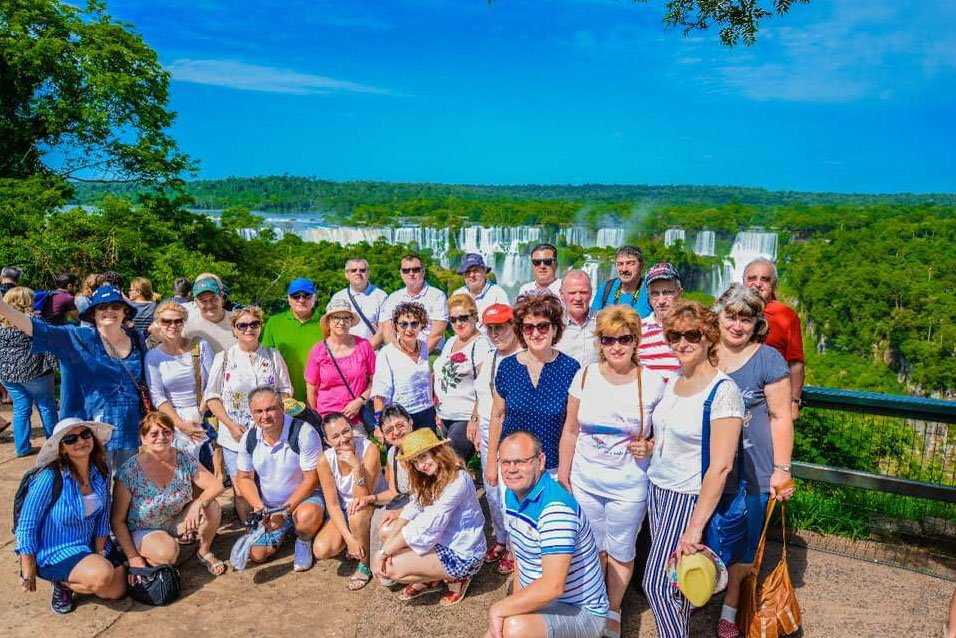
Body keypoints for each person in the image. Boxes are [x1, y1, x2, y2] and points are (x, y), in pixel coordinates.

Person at [557, 305, 667, 637]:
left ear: (636, 341)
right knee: (590, 547)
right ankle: (592, 602)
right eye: (608, 339)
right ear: (599, 342)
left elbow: (661, 435)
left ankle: (613, 609)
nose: (616, 346)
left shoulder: (652, 382)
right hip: (586, 479)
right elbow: (570, 430)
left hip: (628, 483)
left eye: (624, 339)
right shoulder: (585, 375)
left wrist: (648, 446)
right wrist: (564, 474)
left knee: (621, 550)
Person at [643, 300, 745, 638]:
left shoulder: (723, 391)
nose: (681, 343)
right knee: (678, 584)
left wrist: (695, 527)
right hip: (657, 489)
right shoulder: (674, 380)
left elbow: (721, 465)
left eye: (692, 334)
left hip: (687, 497)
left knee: (656, 585)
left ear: (709, 337)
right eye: (674, 335)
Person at [713, 284, 795, 638]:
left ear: (756, 323)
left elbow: (780, 416)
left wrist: (782, 470)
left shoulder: (768, 360)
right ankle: (698, 591)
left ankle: (731, 607)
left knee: (746, 545)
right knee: (708, 535)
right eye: (730, 316)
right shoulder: (705, 353)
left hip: (755, 470)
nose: (737, 325)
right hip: (709, 468)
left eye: (745, 318)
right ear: (718, 316)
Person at [0, 285, 147, 469]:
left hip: (129, 429)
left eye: (116, 306)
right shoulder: (78, 338)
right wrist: (2, 307)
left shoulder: (136, 339)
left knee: (127, 488)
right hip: (90, 433)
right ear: (93, 313)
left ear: (125, 311)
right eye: (102, 307)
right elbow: (39, 329)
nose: (109, 311)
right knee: (94, 488)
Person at [487, 430, 609, 638]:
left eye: (520, 461)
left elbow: (553, 587)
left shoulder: (555, 509)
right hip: (547, 601)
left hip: (581, 611)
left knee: (513, 627)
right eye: (505, 462)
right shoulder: (512, 494)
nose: (511, 469)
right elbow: (521, 559)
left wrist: (499, 609)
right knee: (503, 626)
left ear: (540, 461)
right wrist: (517, 603)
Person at [16, 418, 126, 614]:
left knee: (117, 590)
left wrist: (99, 551)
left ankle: (83, 575)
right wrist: (27, 570)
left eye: (85, 435)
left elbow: (104, 513)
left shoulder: (101, 470)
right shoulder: (50, 477)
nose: (80, 441)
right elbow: (27, 524)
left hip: (89, 540)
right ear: (62, 448)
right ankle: (62, 584)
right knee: (102, 574)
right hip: (58, 548)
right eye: (71, 439)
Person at [373, 428, 486, 606]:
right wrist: (387, 545)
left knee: (391, 568)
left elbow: (427, 524)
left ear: (437, 452)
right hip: (442, 539)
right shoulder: (428, 476)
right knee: (387, 531)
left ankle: (460, 577)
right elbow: (413, 507)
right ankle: (432, 576)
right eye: (416, 461)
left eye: (424, 456)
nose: (421, 465)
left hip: (463, 552)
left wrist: (383, 553)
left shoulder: (458, 480)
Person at [112, 412, 226, 577]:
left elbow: (216, 486)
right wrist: (133, 557)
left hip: (176, 519)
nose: (161, 437)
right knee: (167, 554)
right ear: (143, 438)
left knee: (212, 506)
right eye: (154, 434)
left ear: (173, 434)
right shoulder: (129, 471)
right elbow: (117, 520)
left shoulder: (183, 457)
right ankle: (154, 551)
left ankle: (203, 550)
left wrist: (196, 504)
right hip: (144, 528)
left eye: (167, 432)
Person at [205, 306, 293, 520]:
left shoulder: (272, 356)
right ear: (234, 329)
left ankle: (272, 526)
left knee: (268, 485)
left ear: (260, 327)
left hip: (270, 433)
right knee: (242, 488)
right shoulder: (224, 358)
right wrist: (230, 425)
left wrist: (271, 416)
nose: (248, 329)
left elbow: (286, 390)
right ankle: (249, 527)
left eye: (254, 324)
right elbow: (212, 396)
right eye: (242, 325)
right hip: (235, 435)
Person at [486, 294, 579, 485]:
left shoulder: (570, 368)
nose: (535, 333)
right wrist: (490, 462)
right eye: (529, 327)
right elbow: (497, 416)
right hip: (512, 467)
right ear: (521, 331)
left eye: (542, 326)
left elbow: (572, 428)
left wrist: (563, 474)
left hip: (552, 468)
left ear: (554, 329)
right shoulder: (507, 367)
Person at [234, 386, 325, 570]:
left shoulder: (304, 433)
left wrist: (284, 511)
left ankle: (304, 539)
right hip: (270, 507)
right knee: (257, 555)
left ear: (282, 407)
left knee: (307, 517)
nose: (265, 416)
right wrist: (259, 507)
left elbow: (312, 479)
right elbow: (243, 477)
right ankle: (285, 531)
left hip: (304, 500)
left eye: (270, 409)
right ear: (252, 414)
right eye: (258, 411)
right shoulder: (249, 437)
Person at [469, 303, 521, 574]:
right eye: (490, 328)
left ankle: (515, 546)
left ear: (514, 325)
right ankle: (500, 538)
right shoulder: (489, 357)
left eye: (500, 326)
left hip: (511, 437)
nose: (495, 333)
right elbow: (482, 394)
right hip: (489, 432)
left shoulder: (523, 357)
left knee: (508, 493)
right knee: (491, 491)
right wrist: (475, 420)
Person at [312, 413, 386, 590]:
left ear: (352, 429)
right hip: (346, 509)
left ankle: (364, 563)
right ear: (327, 441)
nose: (343, 439)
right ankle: (355, 541)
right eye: (335, 436)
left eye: (346, 431)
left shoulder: (369, 450)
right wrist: (349, 538)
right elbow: (333, 504)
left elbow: (362, 497)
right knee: (322, 549)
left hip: (371, 503)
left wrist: (357, 468)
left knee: (356, 515)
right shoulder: (325, 460)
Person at [350, 404, 414, 586]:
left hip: (424, 506)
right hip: (403, 501)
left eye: (400, 425)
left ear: (411, 423)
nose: (396, 432)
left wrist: (400, 512)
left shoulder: (422, 448)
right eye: (389, 430)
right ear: (384, 435)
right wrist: (369, 499)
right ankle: (368, 564)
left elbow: (430, 498)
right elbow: (393, 491)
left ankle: (406, 564)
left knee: (386, 526)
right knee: (377, 516)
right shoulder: (393, 452)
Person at [145, 301, 213, 457]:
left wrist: (199, 415)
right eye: (166, 321)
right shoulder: (153, 357)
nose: (172, 325)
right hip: (172, 420)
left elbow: (212, 384)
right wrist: (181, 425)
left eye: (178, 321)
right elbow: (157, 395)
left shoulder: (201, 347)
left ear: (184, 323)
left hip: (204, 415)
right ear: (158, 323)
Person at [743, 258, 805, 422]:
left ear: (774, 285)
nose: (757, 284)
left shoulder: (787, 315)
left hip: (770, 401)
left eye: (765, 279)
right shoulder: (730, 311)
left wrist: (794, 401)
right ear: (743, 282)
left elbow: (796, 362)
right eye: (752, 278)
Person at [304, 299, 375, 438]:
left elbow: (375, 381)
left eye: (346, 318)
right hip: (327, 421)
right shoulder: (318, 350)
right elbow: (311, 391)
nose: (341, 322)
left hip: (356, 420)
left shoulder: (364, 345)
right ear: (329, 322)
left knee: (359, 457)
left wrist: (360, 401)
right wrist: (317, 421)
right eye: (336, 318)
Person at [434, 293, 492, 461]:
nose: (458, 323)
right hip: (446, 416)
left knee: (452, 467)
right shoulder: (451, 341)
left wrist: (475, 419)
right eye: (453, 320)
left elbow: (485, 387)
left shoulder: (481, 344)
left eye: (463, 318)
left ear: (475, 317)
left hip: (465, 418)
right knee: (454, 469)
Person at [0, 287, 58, 456]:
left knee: (21, 408)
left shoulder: (1, 322)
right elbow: (49, 343)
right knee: (46, 407)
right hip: (35, 372)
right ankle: (53, 448)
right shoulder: (34, 320)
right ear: (27, 301)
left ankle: (22, 448)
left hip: (8, 375)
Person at [371, 302, 437, 434]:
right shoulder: (387, 353)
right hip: (400, 418)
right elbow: (380, 391)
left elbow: (427, 379)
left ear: (421, 325)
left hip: (426, 414)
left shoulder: (423, 347)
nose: (409, 329)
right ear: (396, 326)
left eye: (414, 324)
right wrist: (378, 424)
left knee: (429, 454)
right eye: (404, 324)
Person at [261, 278, 324, 402]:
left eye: (306, 295)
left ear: (315, 298)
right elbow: (264, 359)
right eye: (296, 296)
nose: (301, 300)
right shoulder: (274, 323)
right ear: (289, 299)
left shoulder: (325, 323)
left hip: (320, 396)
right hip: (283, 396)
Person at [381, 254, 448, 353]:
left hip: (430, 352)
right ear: (401, 273)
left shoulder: (438, 296)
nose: (411, 273)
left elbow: (437, 334)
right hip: (400, 352)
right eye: (406, 270)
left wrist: (419, 355)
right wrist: (398, 353)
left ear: (423, 271)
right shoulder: (393, 298)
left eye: (416, 269)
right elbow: (387, 332)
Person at [329, 258, 388, 349]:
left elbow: (384, 329)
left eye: (362, 270)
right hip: (344, 352)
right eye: (353, 270)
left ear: (368, 273)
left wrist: (364, 351)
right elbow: (331, 328)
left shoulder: (381, 296)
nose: (358, 273)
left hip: (373, 353)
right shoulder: (337, 297)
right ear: (346, 274)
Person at [639, 262, 684, 381]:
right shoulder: (637, 330)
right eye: (655, 294)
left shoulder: (693, 330)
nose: (661, 300)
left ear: (679, 293)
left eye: (667, 293)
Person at [451, 253, 510, 328]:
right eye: (468, 272)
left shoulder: (498, 294)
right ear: (463, 275)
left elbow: (507, 325)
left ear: (484, 271)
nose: (472, 275)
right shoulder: (457, 294)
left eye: (475, 271)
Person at [592, 245, 652, 317]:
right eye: (620, 264)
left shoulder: (650, 290)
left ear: (641, 266)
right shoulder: (605, 288)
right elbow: (594, 319)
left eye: (630, 263)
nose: (624, 269)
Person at [555, 269, 598, 367]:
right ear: (561, 294)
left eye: (583, 292)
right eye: (572, 293)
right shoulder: (552, 325)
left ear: (591, 293)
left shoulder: (604, 323)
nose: (578, 298)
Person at [183, 276, 236, 353]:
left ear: (222, 297)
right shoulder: (189, 329)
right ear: (196, 302)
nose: (209, 305)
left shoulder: (238, 321)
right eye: (203, 301)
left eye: (213, 299)